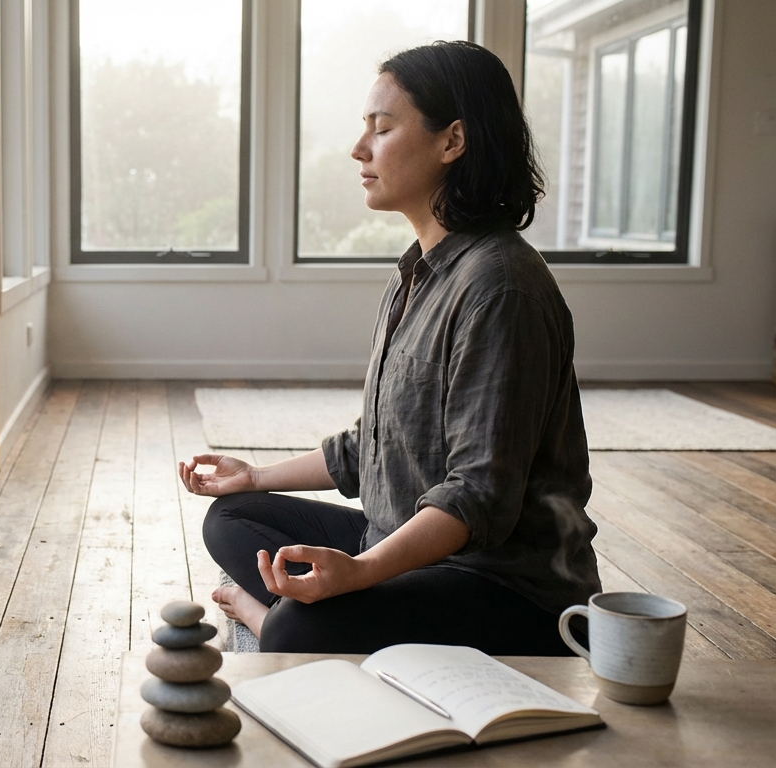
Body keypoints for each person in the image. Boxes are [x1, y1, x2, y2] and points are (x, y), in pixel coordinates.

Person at [178, 41, 600, 655]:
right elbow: (374, 444)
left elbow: (478, 497)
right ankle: (312, 620)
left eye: (382, 129)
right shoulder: (418, 272)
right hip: (402, 537)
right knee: (234, 516)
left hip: (503, 587)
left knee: (300, 627)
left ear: (451, 141)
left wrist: (362, 572)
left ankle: (275, 624)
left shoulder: (501, 289)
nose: (359, 149)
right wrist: (255, 475)